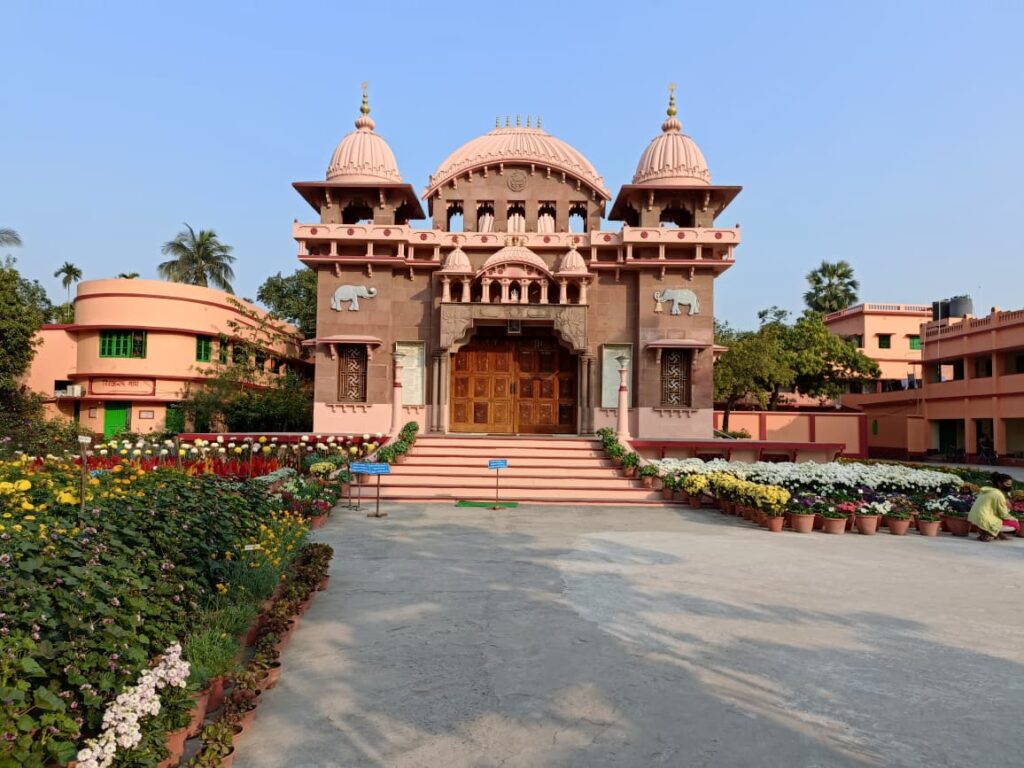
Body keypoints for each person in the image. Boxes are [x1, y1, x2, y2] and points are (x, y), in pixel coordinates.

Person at [967, 472, 1020, 541]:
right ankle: (987, 534)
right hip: (983, 518)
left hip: (974, 516)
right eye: (1007, 484)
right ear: (999, 483)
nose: (1009, 486)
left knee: (998, 517)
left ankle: (994, 534)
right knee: (1014, 524)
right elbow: (1003, 514)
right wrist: (1014, 518)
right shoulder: (998, 494)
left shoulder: (987, 490)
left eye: (1010, 484)